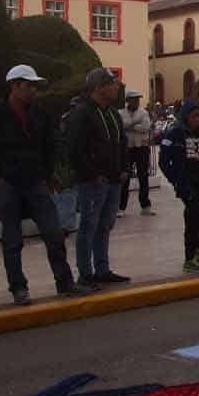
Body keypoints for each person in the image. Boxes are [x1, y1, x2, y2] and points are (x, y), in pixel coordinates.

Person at [0, 66, 82, 303]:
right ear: (14, 86)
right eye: (28, 85)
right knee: (12, 240)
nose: (33, 90)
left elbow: (49, 145)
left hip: (35, 182)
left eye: (35, 86)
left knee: (54, 233)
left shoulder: (39, 114)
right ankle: (18, 288)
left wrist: (48, 173)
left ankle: (64, 282)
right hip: (9, 184)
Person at [65, 68, 130, 288]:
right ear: (98, 87)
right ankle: (85, 273)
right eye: (111, 83)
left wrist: (123, 168)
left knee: (105, 226)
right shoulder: (82, 113)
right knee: (88, 226)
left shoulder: (112, 114)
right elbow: (75, 149)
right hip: (93, 182)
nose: (116, 87)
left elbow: (122, 143)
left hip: (113, 180)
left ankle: (102, 268)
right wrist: (92, 174)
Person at [158, 100, 199, 273]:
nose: (197, 120)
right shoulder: (175, 133)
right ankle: (193, 255)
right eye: (194, 116)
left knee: (194, 222)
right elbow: (164, 161)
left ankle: (196, 253)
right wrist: (176, 180)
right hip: (186, 185)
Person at [118, 90, 154, 216]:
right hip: (127, 148)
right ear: (128, 100)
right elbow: (121, 126)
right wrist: (135, 123)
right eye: (133, 99)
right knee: (125, 177)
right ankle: (121, 207)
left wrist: (130, 127)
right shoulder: (121, 113)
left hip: (141, 147)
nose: (136, 101)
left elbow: (146, 127)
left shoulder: (143, 112)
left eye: (137, 99)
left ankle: (145, 205)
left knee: (143, 176)